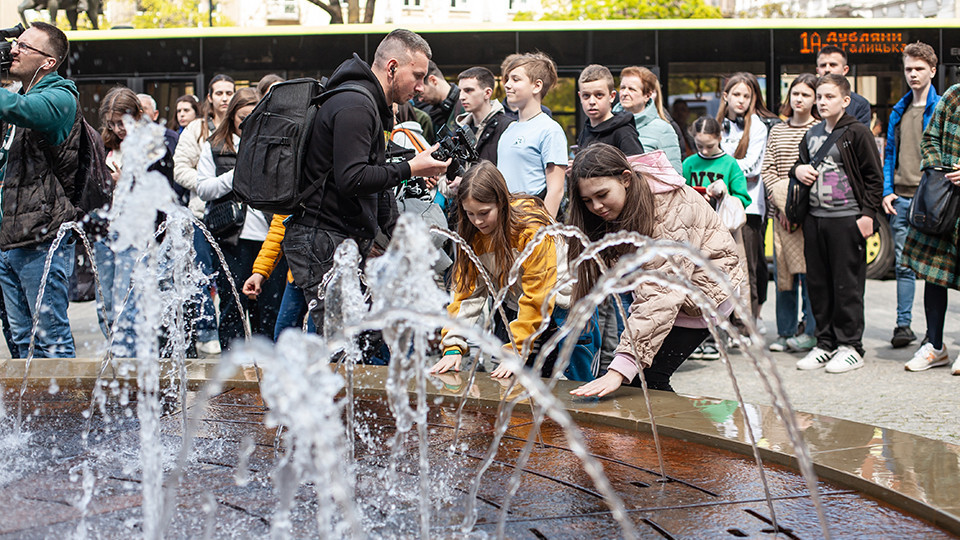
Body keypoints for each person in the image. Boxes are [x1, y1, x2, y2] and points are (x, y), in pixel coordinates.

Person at [283, 29, 449, 332]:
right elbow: (352, 178)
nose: (421, 86)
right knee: (335, 344)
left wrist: (392, 235)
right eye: (418, 75)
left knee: (350, 341)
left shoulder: (366, 103)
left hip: (335, 238)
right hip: (323, 240)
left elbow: (373, 176)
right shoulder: (356, 105)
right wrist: (411, 168)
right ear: (393, 67)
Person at [567, 144, 744, 396]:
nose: (596, 206)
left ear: (625, 179)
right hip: (668, 292)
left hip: (706, 295)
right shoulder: (618, 205)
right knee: (641, 378)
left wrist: (622, 366)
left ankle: (688, 434)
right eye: (587, 201)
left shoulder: (668, 209)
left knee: (647, 378)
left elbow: (662, 293)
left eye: (602, 195)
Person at [429, 161, 596, 381]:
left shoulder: (532, 231)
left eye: (484, 212)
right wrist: (452, 345)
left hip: (566, 310)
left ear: (502, 203)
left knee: (575, 389)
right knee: (513, 387)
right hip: (519, 309)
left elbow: (538, 296)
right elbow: (465, 294)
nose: (477, 221)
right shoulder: (473, 235)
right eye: (470, 213)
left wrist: (517, 349)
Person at [790, 73, 883, 373]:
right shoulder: (812, 133)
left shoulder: (857, 132)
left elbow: (873, 177)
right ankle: (825, 343)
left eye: (829, 97)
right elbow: (798, 166)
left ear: (845, 100)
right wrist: (798, 170)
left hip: (847, 218)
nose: (822, 102)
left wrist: (868, 214)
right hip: (815, 219)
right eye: (819, 96)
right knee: (818, 284)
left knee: (847, 285)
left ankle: (850, 345)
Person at [0, 22, 77, 358]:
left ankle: (68, 411)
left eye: (24, 46)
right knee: (20, 339)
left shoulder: (61, 97)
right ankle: (29, 411)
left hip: (40, 239)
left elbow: (24, 111)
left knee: (51, 337)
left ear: (48, 61)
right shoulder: (16, 95)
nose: (14, 49)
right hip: (8, 239)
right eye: (14, 43)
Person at [196, 88, 281, 349]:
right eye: (242, 118)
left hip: (268, 239)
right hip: (232, 237)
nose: (247, 124)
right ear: (232, 116)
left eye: (253, 117)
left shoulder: (273, 144)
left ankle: (265, 367)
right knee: (233, 305)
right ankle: (230, 370)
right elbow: (203, 189)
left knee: (268, 308)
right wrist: (235, 176)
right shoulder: (216, 146)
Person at [882, 42, 940, 351]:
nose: (913, 74)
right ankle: (903, 325)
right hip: (901, 198)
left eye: (919, 68)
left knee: (932, 267)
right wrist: (887, 191)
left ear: (932, 70)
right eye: (908, 69)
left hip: (931, 200)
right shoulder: (898, 109)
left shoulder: (942, 107)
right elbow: (890, 152)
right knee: (903, 265)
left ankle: (935, 331)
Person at [173, 74, 235, 356]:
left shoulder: (240, 125)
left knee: (229, 277)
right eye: (219, 93)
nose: (224, 98)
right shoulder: (197, 128)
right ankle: (207, 331)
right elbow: (180, 168)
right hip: (202, 214)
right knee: (200, 276)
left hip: (236, 218)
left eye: (229, 92)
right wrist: (206, 182)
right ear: (209, 98)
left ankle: (229, 334)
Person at [901, 83, 960, 374]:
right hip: (943, 199)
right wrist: (944, 171)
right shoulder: (953, 95)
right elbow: (930, 140)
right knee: (933, 272)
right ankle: (935, 346)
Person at [682, 116, 750, 361]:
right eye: (699, 145)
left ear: (720, 138)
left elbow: (743, 198)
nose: (703, 150)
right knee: (697, 283)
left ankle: (716, 338)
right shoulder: (690, 163)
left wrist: (724, 194)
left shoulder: (730, 164)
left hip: (722, 232)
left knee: (721, 285)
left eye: (708, 146)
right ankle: (698, 340)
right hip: (695, 231)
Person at [762, 74, 821, 354]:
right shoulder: (777, 130)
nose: (799, 99)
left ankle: (810, 331)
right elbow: (768, 170)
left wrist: (798, 210)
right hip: (781, 215)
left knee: (810, 276)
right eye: (795, 93)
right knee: (784, 276)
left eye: (806, 95)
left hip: (809, 216)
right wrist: (783, 206)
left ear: (815, 99)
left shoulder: (819, 129)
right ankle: (785, 332)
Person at [716, 72, 773, 328]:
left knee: (749, 266)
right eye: (736, 94)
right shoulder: (717, 125)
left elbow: (752, 167)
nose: (741, 101)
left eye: (747, 96)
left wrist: (723, 169)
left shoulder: (758, 126)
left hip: (748, 207)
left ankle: (750, 318)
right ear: (726, 96)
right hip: (717, 209)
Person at [496, 52, 567, 218]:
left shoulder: (550, 129)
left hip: (533, 222)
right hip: (507, 221)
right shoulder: (509, 129)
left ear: (537, 86)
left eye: (516, 79)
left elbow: (556, 190)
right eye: (507, 79)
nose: (507, 85)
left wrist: (542, 232)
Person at [615, 66, 682, 172]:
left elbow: (675, 177)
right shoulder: (607, 123)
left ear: (647, 95)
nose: (624, 93)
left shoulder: (663, 129)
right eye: (622, 88)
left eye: (631, 89)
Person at [575, 64, 643, 155]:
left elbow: (639, 167)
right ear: (580, 97)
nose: (592, 102)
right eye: (586, 95)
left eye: (599, 95)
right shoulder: (585, 131)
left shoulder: (624, 132)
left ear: (612, 96)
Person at [455, 66, 513, 165]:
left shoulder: (507, 127)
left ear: (487, 93)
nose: (461, 97)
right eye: (460, 91)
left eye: (468, 90)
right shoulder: (460, 127)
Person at [816, 45, 871, 126]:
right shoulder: (808, 100)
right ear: (818, 70)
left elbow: (861, 136)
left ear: (845, 70)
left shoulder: (860, 104)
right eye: (823, 65)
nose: (827, 69)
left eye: (833, 65)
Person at [414, 61, 464, 138]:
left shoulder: (465, 106)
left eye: (421, 93)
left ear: (433, 80)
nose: (420, 100)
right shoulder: (434, 114)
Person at [138, 92, 180, 158]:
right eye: (135, 110)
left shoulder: (170, 137)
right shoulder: (124, 137)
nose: (139, 113)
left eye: (143, 110)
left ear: (155, 115)